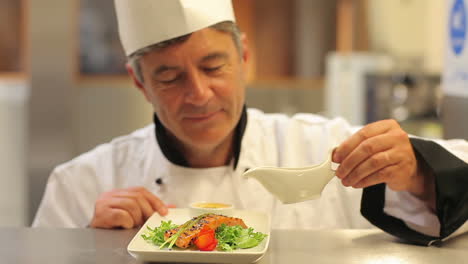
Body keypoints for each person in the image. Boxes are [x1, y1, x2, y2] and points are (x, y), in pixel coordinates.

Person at [33, 0, 467, 246]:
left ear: (244, 59)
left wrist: (418, 173)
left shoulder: (320, 146)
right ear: (139, 82)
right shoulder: (81, 183)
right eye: (169, 76)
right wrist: (93, 248)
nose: (199, 94)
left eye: (214, 66)